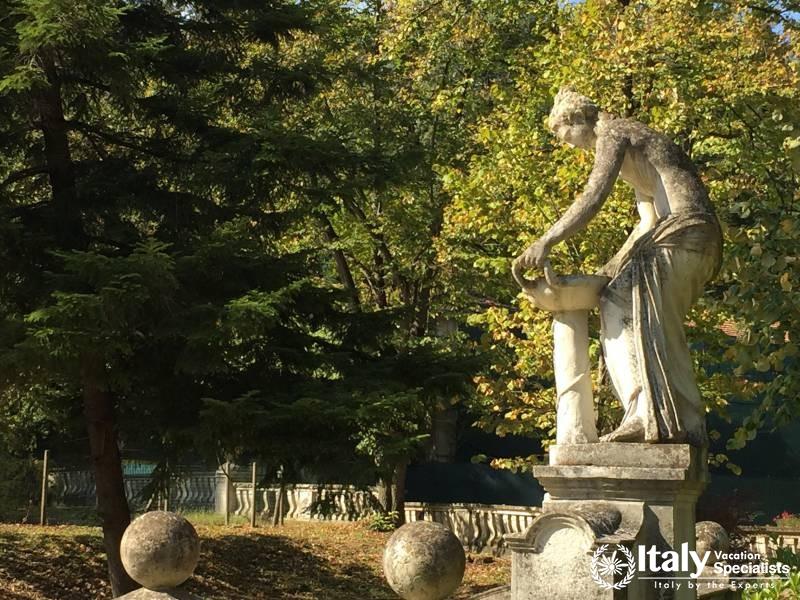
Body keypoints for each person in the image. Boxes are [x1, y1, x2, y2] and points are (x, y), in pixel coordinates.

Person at [513, 88, 722, 446]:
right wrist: (606, 270)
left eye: (563, 133)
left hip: (684, 232)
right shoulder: (640, 147)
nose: (566, 143)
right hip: (697, 237)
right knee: (659, 326)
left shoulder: (614, 132)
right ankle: (687, 421)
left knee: (620, 303)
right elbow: (646, 223)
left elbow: (594, 195)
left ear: (578, 120)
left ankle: (643, 413)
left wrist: (545, 241)